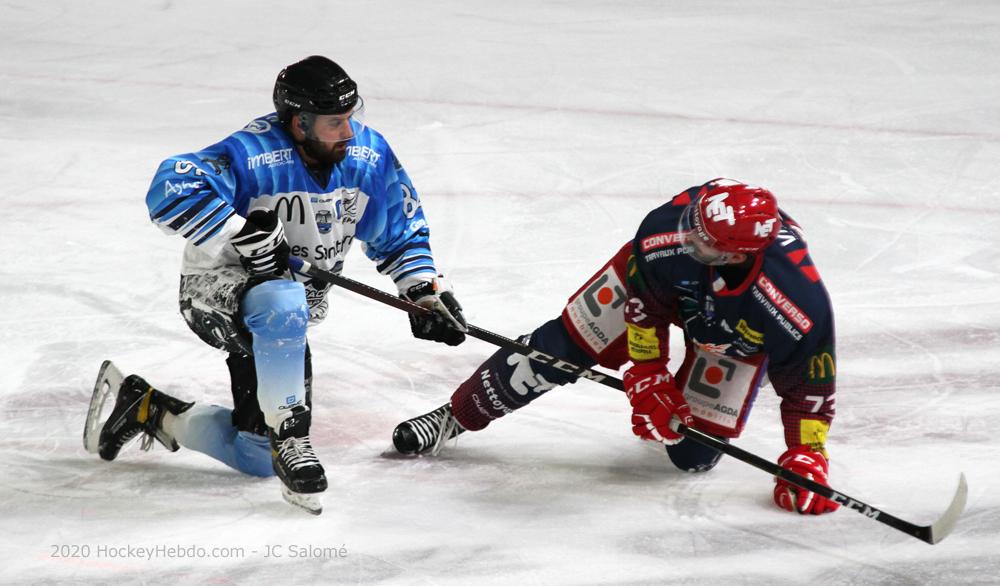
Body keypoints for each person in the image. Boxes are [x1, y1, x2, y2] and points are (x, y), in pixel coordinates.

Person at [84, 56, 467, 515]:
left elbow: (398, 230)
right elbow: (171, 185)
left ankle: (147, 408)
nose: (348, 132)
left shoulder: (368, 154)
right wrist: (239, 234)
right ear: (298, 122)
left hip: (286, 314)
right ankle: (292, 439)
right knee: (282, 300)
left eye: (350, 118)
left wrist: (421, 290)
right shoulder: (253, 153)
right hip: (214, 292)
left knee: (253, 455)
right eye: (334, 122)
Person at [392, 178, 840, 515]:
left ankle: (683, 406)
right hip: (663, 291)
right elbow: (644, 301)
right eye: (692, 224)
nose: (686, 238)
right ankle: (455, 415)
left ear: (738, 255)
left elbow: (809, 389)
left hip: (734, 334)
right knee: (563, 347)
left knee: (692, 455)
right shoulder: (668, 234)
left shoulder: (795, 300)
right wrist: (649, 371)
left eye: (701, 241)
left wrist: (807, 454)